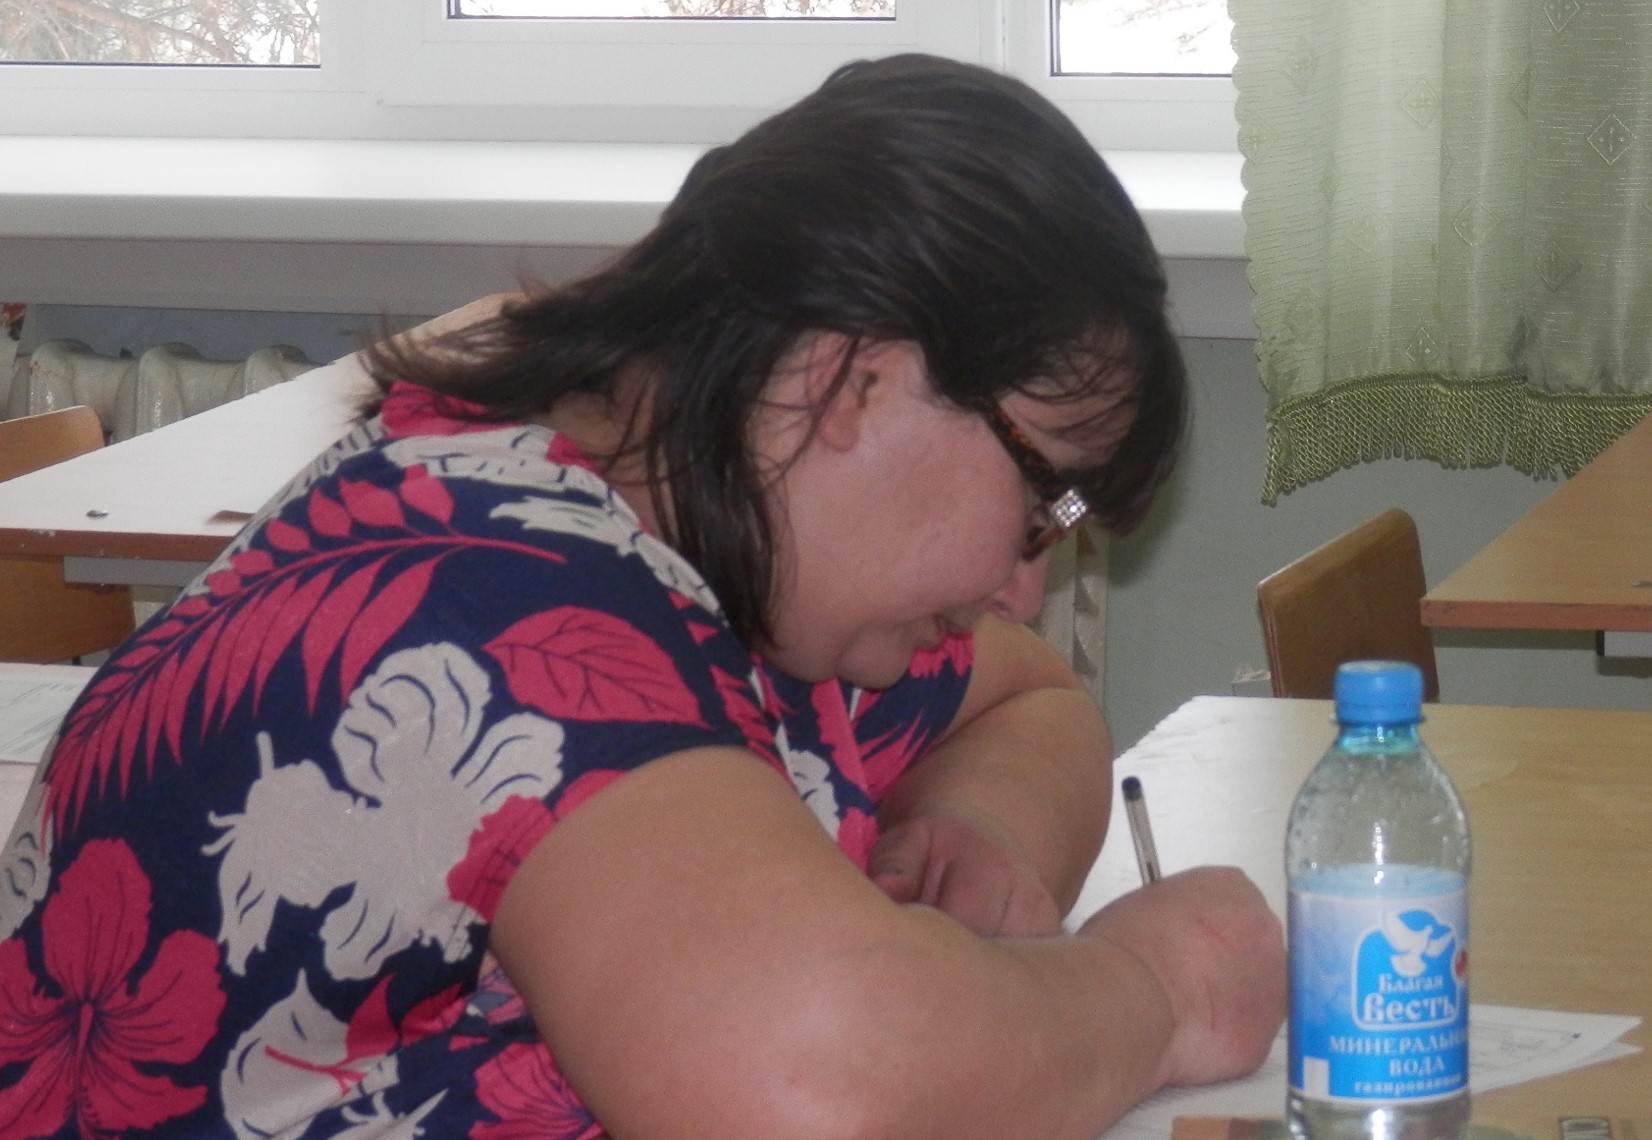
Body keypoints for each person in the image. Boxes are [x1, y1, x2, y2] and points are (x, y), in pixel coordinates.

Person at [0, 53, 1284, 1140]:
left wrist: (976, 831)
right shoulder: (498, 599)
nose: (1024, 579)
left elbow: (1027, 702)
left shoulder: (728, 558)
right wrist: (1149, 993)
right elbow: (808, 1089)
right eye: (1040, 497)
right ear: (855, 379)